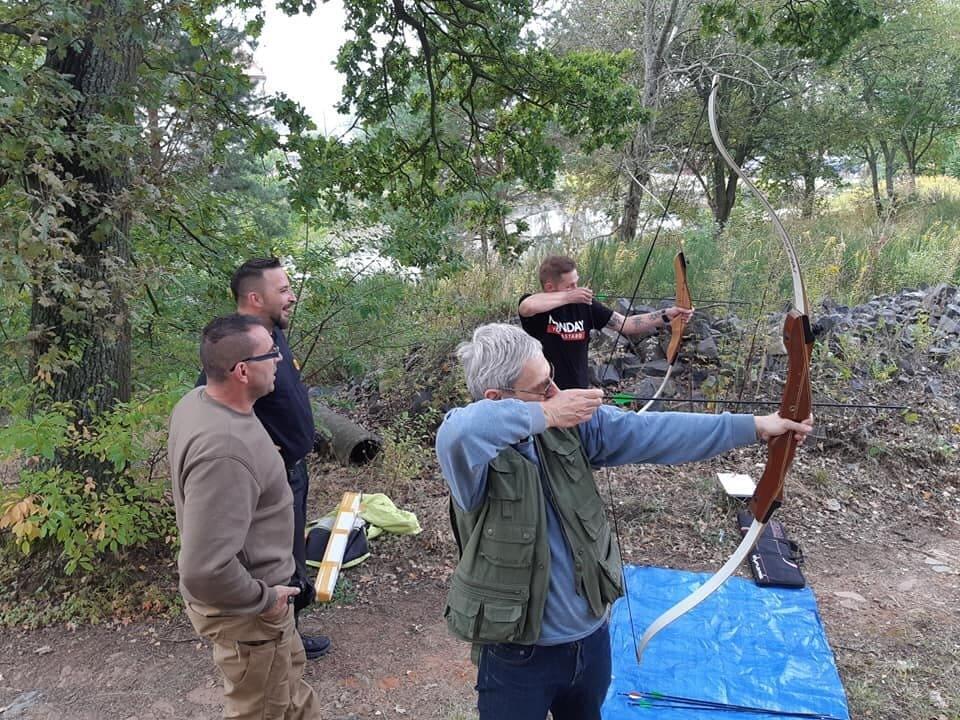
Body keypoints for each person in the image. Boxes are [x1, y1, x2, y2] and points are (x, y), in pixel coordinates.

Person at [435, 323, 812, 720]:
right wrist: (546, 413)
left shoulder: (571, 429)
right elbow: (459, 431)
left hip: (590, 641)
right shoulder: (472, 460)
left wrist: (754, 427)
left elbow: (653, 432)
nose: (557, 393)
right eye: (543, 387)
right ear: (496, 399)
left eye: (552, 378)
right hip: (517, 657)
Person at [169, 314, 322, 719]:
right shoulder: (225, 450)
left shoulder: (199, 403)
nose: (279, 361)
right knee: (262, 709)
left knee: (294, 699)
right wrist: (265, 600)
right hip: (252, 616)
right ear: (241, 371)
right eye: (271, 355)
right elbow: (203, 569)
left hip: (267, 610)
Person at [198, 257, 329, 659]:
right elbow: (214, 404)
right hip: (270, 477)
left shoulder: (271, 334)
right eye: (284, 290)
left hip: (292, 470)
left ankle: (290, 634)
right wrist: (257, 455)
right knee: (272, 560)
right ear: (255, 298)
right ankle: (273, 644)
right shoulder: (236, 344)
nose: (293, 297)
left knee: (292, 554)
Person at [518, 255, 694, 389]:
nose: (577, 289)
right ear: (549, 287)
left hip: (579, 391)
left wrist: (666, 315)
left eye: (576, 283)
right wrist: (569, 296)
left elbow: (626, 324)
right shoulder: (537, 309)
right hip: (545, 393)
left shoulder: (584, 305)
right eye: (570, 286)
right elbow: (526, 307)